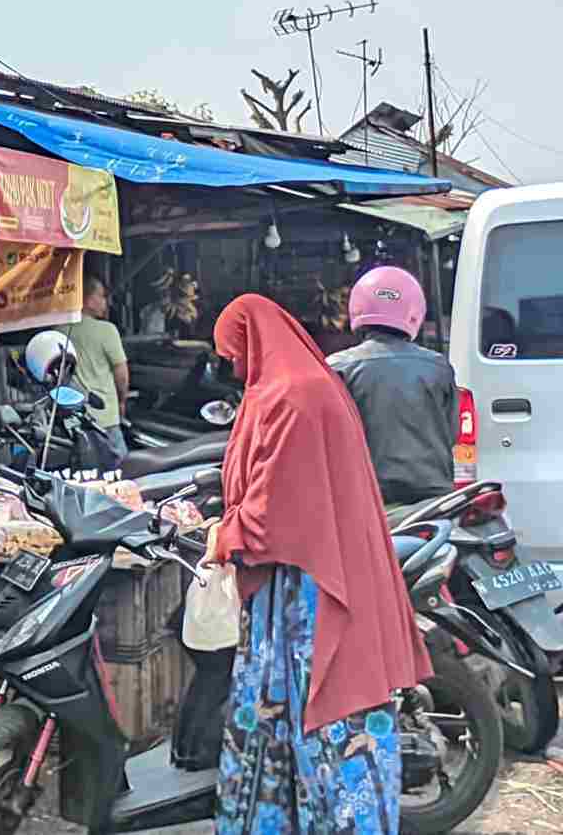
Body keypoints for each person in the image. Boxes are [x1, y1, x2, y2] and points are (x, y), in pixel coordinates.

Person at [202, 295, 431, 834]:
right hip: (296, 576)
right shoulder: (287, 388)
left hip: (314, 586)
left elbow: (278, 509)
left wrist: (226, 533)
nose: (229, 365)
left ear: (250, 341)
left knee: (330, 714)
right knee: (281, 713)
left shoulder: (293, 396)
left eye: (230, 352)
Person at [327, 267, 458, 520]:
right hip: (433, 499)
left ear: (358, 309)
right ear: (414, 312)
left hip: (365, 501)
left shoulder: (337, 367)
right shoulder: (439, 366)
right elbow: (451, 433)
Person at [65, 276, 130, 462]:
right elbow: (121, 373)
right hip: (105, 417)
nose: (105, 302)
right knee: (122, 471)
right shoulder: (106, 330)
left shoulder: (60, 330)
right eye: (101, 296)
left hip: (74, 420)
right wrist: (122, 400)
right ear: (87, 299)